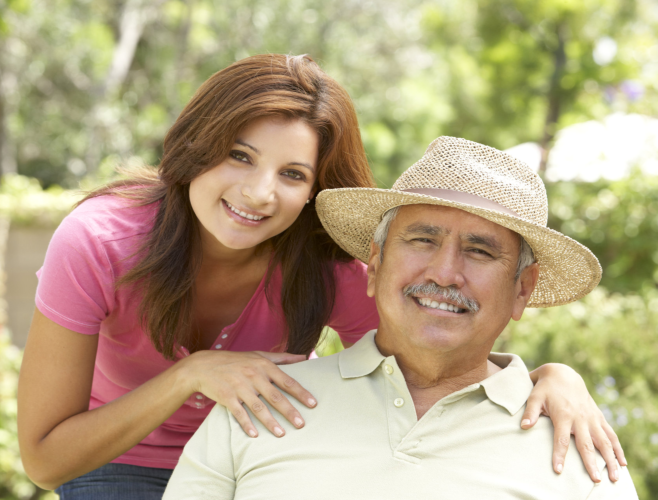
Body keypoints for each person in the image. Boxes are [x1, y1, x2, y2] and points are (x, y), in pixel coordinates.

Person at [17, 54, 622, 499]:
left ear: (314, 190)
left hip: (273, 449)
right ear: (197, 144)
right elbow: (44, 461)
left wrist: (550, 376)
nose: (257, 193)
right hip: (121, 462)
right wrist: (192, 374)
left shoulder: (326, 265)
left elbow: (435, 337)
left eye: (292, 174)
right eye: (240, 155)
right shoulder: (101, 241)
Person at [164, 136, 637, 499]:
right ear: (374, 266)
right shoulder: (258, 404)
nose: (445, 273)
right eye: (422, 240)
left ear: (522, 289)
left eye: (479, 250)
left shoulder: (581, 448)